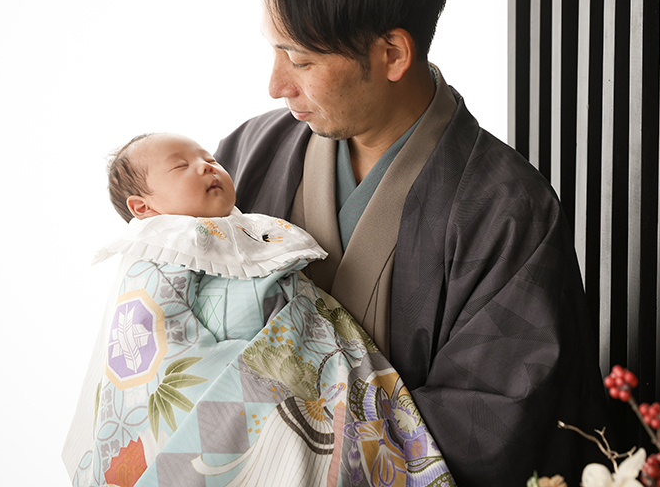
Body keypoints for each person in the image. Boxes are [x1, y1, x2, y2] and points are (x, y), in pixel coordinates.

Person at [215, 0, 608, 486]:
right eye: (275, 50)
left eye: (299, 58)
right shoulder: (248, 155)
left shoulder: (507, 211)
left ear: (393, 53)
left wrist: (285, 453)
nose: (276, 84)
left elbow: (490, 429)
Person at [62, 132, 456, 487]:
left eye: (209, 159)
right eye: (181, 166)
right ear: (143, 207)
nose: (206, 166)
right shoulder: (159, 249)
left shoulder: (249, 230)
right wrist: (259, 371)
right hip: (248, 378)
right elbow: (158, 340)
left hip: (305, 359)